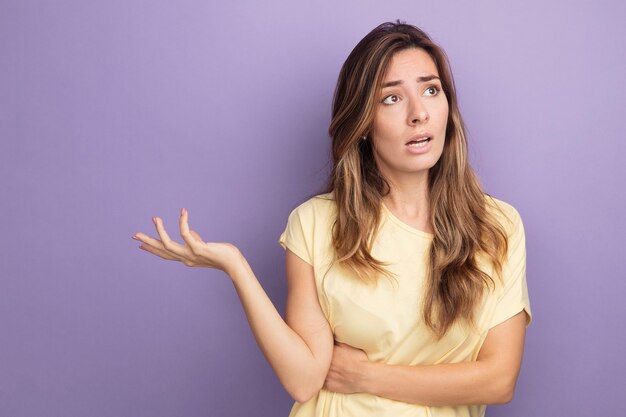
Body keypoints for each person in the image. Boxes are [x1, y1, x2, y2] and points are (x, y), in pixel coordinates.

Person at [131, 20, 532, 417]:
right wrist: (236, 267)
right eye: (390, 98)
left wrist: (367, 376)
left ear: (448, 107)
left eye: (431, 90)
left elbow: (499, 381)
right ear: (361, 123)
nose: (419, 114)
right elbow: (304, 379)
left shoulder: (497, 226)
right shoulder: (315, 223)